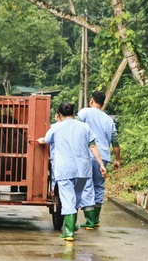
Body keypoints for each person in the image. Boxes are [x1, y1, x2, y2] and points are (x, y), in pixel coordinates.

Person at [37, 102, 106, 241]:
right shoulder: (84, 127)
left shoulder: (56, 127)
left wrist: (40, 140)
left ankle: (69, 231)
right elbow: (92, 146)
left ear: (58, 115)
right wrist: (101, 164)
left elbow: (46, 140)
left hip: (65, 169)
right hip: (83, 170)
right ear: (73, 113)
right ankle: (72, 224)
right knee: (77, 196)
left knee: (68, 198)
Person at [76, 90, 121, 228]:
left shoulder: (85, 112)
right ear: (102, 103)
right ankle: (96, 219)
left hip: (88, 155)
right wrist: (117, 159)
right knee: (99, 186)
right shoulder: (109, 119)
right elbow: (115, 141)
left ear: (91, 100)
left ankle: (89, 221)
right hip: (104, 157)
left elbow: (74, 127)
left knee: (87, 185)